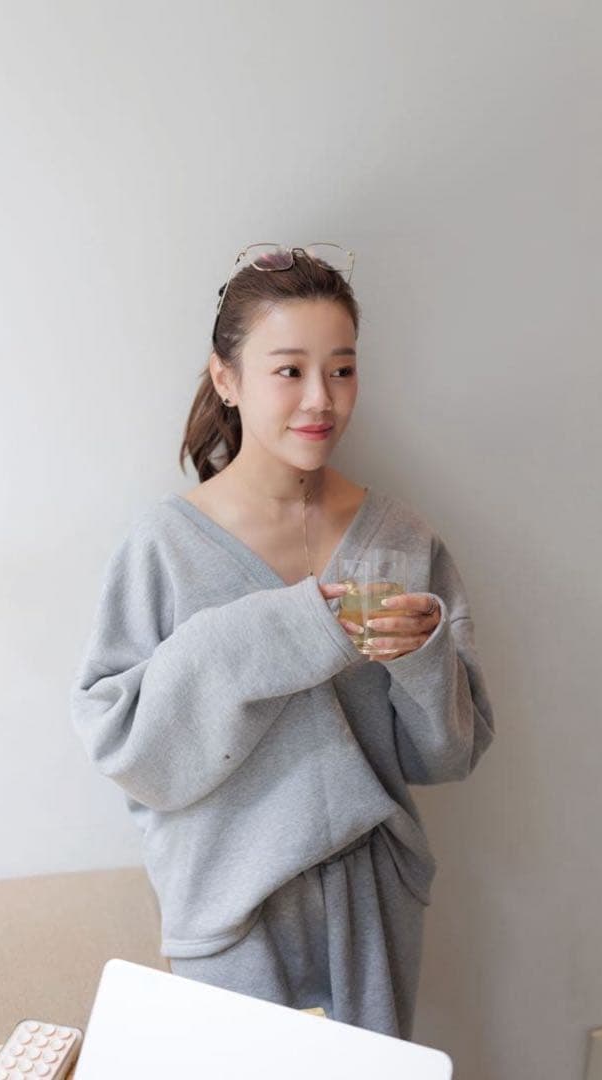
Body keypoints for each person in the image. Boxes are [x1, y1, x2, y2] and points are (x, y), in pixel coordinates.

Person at [69, 245, 495, 1040]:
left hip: (371, 908)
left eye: (342, 369)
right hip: (228, 914)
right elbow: (126, 748)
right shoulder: (165, 546)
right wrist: (280, 632)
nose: (320, 399)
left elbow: (446, 756)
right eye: (289, 370)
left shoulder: (400, 540)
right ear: (226, 378)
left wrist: (422, 656)